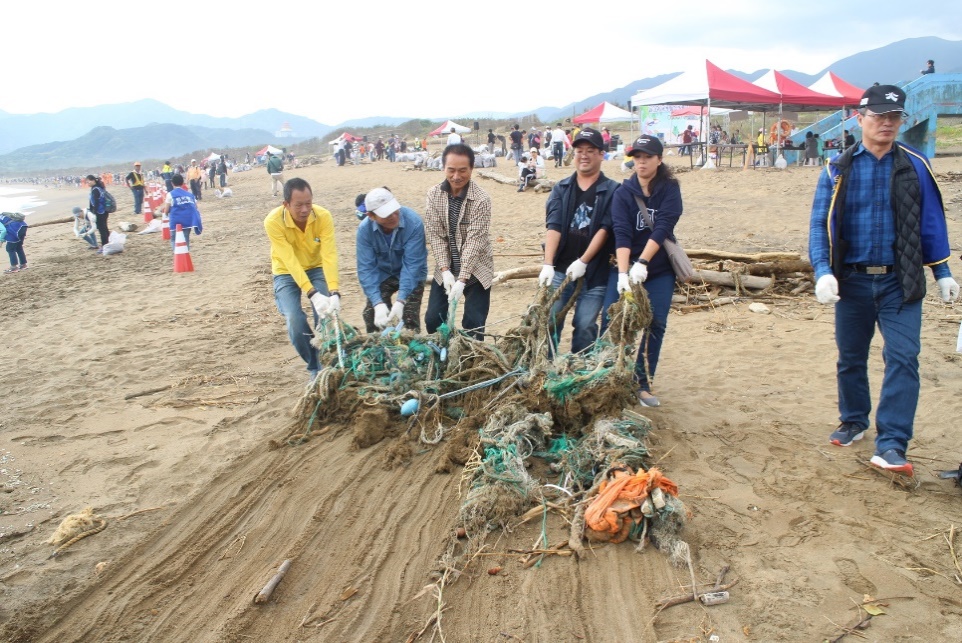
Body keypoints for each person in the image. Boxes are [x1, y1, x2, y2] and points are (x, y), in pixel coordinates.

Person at [808, 84, 959, 476]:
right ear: (860, 119)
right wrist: (823, 271)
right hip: (853, 282)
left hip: (900, 281)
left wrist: (942, 272)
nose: (887, 124)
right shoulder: (837, 169)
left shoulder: (914, 165)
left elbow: (931, 222)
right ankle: (854, 419)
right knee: (851, 357)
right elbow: (820, 226)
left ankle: (891, 443)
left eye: (894, 117)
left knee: (904, 357)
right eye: (879, 116)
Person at [601, 135, 682, 407]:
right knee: (611, 318)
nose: (642, 162)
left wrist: (644, 263)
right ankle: (607, 376)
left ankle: (642, 383)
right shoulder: (623, 192)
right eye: (637, 157)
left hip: (658, 270)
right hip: (624, 264)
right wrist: (624, 273)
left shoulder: (670, 189)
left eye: (647, 156)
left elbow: (663, 228)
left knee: (655, 323)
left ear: (659, 159)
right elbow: (621, 233)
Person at [538, 128, 617, 355]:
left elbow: (605, 227)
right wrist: (548, 264)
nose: (584, 155)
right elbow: (553, 226)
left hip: (595, 273)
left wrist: (583, 261)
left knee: (585, 325)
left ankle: (580, 372)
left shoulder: (612, 191)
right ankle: (547, 370)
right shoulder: (561, 188)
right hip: (561, 269)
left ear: (601, 154)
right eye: (579, 150)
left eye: (590, 150)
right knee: (550, 320)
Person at [264, 178, 341, 382]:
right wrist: (312, 293)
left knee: (324, 317)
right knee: (294, 319)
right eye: (298, 205)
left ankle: (325, 361)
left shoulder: (323, 216)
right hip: (285, 270)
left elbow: (329, 254)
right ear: (286, 204)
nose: (305, 209)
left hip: (315, 267)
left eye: (309, 203)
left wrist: (334, 292)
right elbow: (289, 260)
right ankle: (314, 366)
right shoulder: (272, 222)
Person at [423, 143, 493, 340]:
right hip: (447, 268)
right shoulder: (434, 194)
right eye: (451, 170)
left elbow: (474, 241)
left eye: (463, 170)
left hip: (477, 268)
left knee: (474, 323)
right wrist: (445, 271)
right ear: (443, 168)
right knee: (432, 320)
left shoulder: (481, 200)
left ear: (471, 169)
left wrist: (462, 279)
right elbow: (435, 234)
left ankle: (470, 360)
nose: (456, 176)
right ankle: (444, 353)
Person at [356, 187, 428, 333]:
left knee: (409, 320)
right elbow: (366, 269)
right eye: (386, 214)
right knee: (371, 315)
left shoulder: (413, 223)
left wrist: (401, 301)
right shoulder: (364, 231)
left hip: (411, 274)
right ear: (371, 216)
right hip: (383, 274)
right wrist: (377, 303)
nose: (393, 216)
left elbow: (412, 266)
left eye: (394, 210)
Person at [162, 174, 203, 250]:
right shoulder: (190, 195)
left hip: (175, 222)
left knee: (174, 240)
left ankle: (178, 257)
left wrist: (166, 214)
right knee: (185, 240)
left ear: (172, 183)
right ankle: (185, 256)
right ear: (182, 183)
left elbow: (166, 210)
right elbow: (195, 207)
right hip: (187, 222)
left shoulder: (170, 194)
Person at [86, 174, 110, 251]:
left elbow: (96, 202)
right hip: (104, 211)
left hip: (100, 212)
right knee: (104, 228)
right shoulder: (98, 188)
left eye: (88, 181)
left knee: (102, 229)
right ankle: (108, 243)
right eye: (86, 182)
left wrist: (94, 213)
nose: (88, 183)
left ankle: (104, 245)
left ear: (93, 180)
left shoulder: (96, 189)